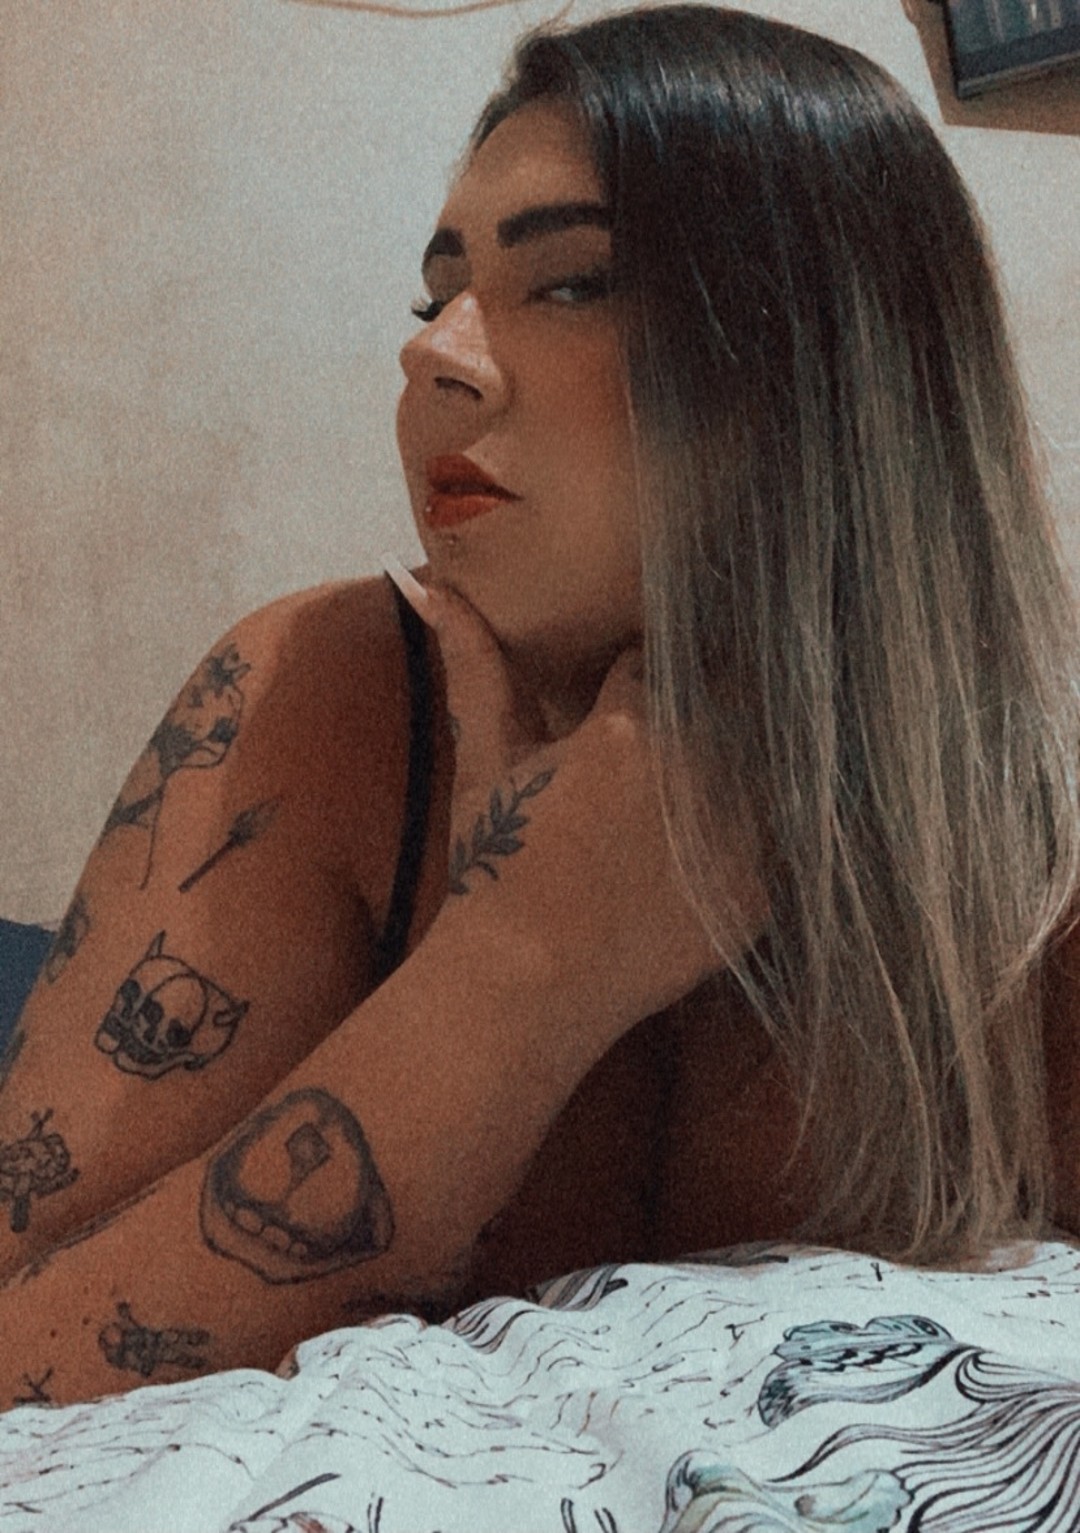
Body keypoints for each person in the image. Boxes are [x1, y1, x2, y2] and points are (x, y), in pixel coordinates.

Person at [1, 2, 1078, 1411]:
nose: (435, 356)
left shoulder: (1029, 852)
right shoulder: (323, 695)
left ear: (833, 364)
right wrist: (519, 972)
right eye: (433, 296)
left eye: (569, 284)